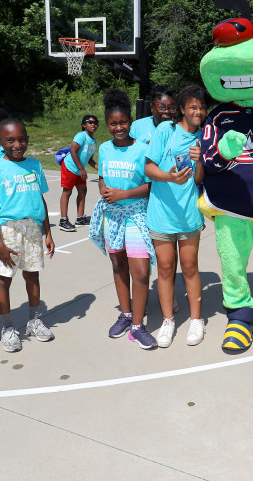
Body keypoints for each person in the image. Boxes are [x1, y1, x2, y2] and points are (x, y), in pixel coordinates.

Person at [88, 89, 157, 349]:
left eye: (123, 122)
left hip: (136, 214)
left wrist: (123, 194)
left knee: (139, 271)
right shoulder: (104, 149)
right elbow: (103, 177)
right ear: (107, 125)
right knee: (118, 266)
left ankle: (138, 326)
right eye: (114, 123)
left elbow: (150, 185)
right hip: (112, 215)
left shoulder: (142, 149)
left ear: (130, 122)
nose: (119, 127)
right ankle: (126, 314)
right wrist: (104, 190)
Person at [0, 118, 56, 352]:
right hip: (8, 230)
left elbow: (40, 198)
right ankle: (7, 328)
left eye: (22, 139)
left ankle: (34, 321)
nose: (17, 144)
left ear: (28, 139)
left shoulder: (34, 165)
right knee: (4, 279)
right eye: (10, 140)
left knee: (32, 276)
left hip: (32, 228)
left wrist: (48, 231)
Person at [144, 85, 208, 347]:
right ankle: (168, 321)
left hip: (189, 214)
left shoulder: (204, 136)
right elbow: (149, 168)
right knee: (166, 268)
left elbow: (200, 179)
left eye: (202, 107)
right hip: (161, 213)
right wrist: (169, 176)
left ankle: (196, 320)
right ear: (182, 108)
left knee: (190, 267)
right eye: (192, 107)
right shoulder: (165, 130)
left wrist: (201, 159)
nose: (198, 112)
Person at [59, 114, 99, 232]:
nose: (93, 124)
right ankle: (63, 220)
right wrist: (82, 169)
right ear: (84, 125)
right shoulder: (81, 136)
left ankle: (80, 218)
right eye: (90, 122)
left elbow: (90, 160)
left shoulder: (94, 142)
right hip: (70, 167)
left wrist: (100, 169)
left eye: (96, 122)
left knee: (82, 191)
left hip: (79, 170)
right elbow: (73, 150)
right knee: (67, 192)